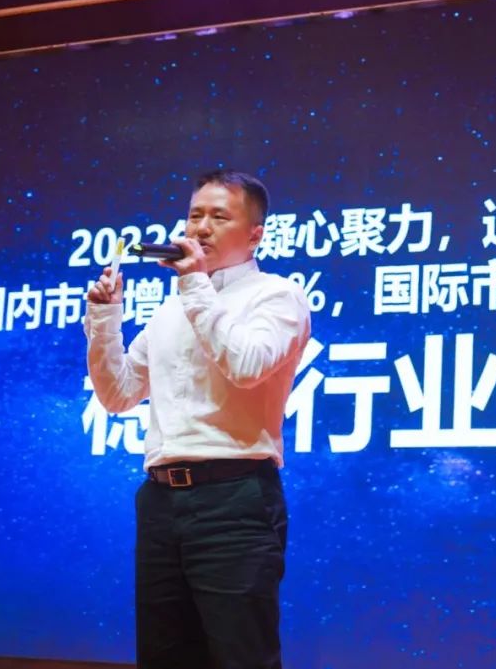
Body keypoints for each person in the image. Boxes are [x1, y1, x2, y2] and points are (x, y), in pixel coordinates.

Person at [84, 169, 311, 669]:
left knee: (240, 656)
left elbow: (247, 365)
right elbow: (118, 395)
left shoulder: (277, 295)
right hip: (160, 500)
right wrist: (105, 319)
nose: (201, 228)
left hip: (234, 499)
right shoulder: (171, 309)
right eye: (194, 215)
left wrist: (194, 285)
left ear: (255, 234)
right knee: (165, 654)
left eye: (219, 217)